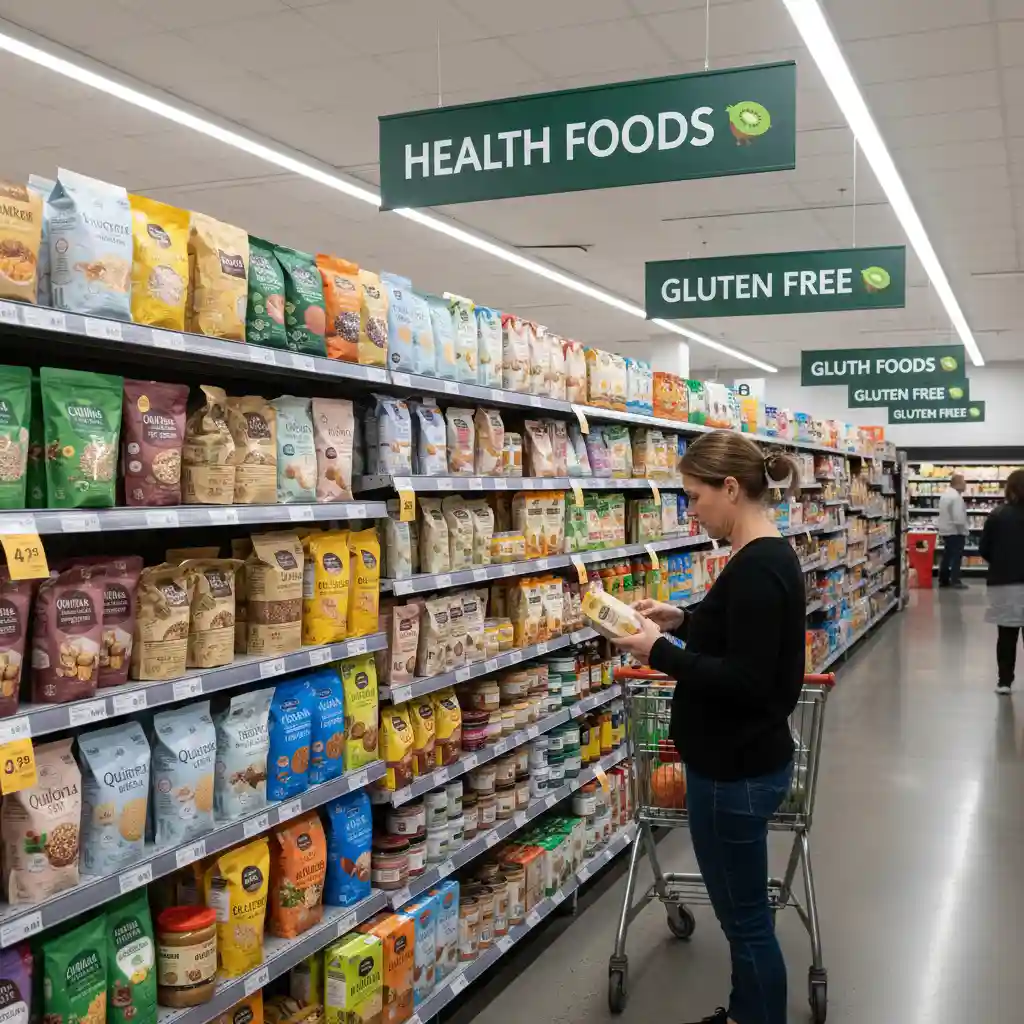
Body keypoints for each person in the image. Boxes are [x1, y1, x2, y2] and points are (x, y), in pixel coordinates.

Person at [612, 430, 805, 1024]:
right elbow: (741, 643)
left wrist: (658, 650)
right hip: (741, 763)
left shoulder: (757, 566)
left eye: (694, 497)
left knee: (746, 924)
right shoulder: (763, 558)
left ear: (730, 488)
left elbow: (746, 681)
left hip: (733, 772)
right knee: (743, 919)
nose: (690, 512)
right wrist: (683, 620)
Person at [979, 470, 1024, 694]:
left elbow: (984, 549)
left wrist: (1000, 562)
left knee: (1006, 634)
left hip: (1004, 582)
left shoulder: (997, 515)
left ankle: (1004, 681)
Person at [937, 473, 969, 588]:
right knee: (956, 557)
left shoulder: (945, 495)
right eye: (964, 482)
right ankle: (956, 580)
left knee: (947, 555)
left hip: (946, 530)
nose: (965, 485)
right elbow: (958, 518)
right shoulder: (956, 497)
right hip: (955, 531)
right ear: (958, 484)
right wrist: (963, 530)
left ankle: (943, 579)